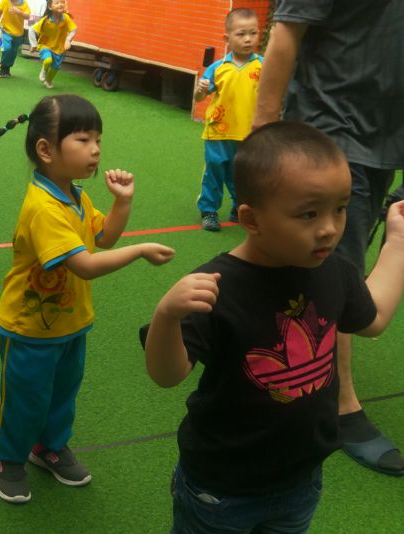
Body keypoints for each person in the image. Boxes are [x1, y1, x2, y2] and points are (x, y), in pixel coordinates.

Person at [142, 122, 404, 531]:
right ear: (252, 219)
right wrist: (166, 316)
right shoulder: (217, 285)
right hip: (220, 491)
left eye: (339, 208)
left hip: (300, 483)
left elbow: (375, 319)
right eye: (309, 213)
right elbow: (167, 374)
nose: (329, 228)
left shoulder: (334, 271)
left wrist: (397, 241)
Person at [0, 94, 174, 503]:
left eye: (98, 139)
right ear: (46, 150)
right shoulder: (44, 208)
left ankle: (49, 447)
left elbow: (104, 237)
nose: (95, 149)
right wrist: (138, 250)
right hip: (28, 329)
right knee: (26, 400)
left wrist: (123, 202)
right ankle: (9, 458)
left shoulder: (75, 196)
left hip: (69, 323)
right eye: (83, 139)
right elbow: (85, 265)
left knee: (62, 395)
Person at [253, 0, 404, 476]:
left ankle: (272, 343)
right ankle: (340, 405)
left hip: (386, 138)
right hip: (331, 131)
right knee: (335, 271)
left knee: (319, 266)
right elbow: (286, 31)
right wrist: (263, 135)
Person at [193, 8, 262, 232]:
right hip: (218, 132)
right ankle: (209, 211)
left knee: (243, 175)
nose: (248, 39)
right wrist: (200, 89)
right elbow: (199, 97)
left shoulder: (264, 66)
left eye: (253, 33)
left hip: (249, 134)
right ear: (227, 38)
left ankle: (239, 209)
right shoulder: (218, 68)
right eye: (241, 34)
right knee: (214, 171)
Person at [31, 0, 75, 89]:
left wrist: (68, 40)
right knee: (48, 60)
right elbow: (32, 30)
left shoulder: (66, 18)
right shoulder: (46, 20)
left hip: (59, 48)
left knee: (56, 67)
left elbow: (74, 29)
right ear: (50, 6)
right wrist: (33, 45)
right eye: (57, 3)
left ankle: (48, 81)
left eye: (62, 2)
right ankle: (44, 70)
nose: (60, 4)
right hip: (45, 45)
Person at [0, 0, 29, 78]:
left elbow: (28, 16)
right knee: (7, 48)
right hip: (6, 30)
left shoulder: (24, 3)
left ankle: (7, 68)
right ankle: (3, 68)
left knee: (13, 52)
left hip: (18, 32)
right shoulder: (5, 1)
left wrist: (19, 12)